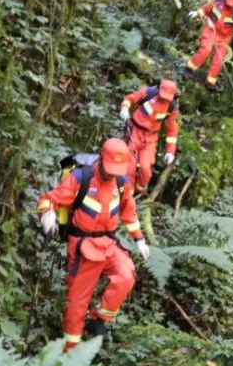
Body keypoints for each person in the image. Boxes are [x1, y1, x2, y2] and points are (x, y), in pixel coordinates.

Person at [36, 138, 149, 351]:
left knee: (126, 275)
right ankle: (70, 351)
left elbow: (129, 212)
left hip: (109, 244)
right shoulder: (81, 178)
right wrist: (47, 213)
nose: (112, 173)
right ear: (101, 159)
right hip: (84, 247)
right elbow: (48, 199)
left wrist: (139, 239)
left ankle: (98, 320)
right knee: (77, 303)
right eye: (109, 169)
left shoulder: (122, 183)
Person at [185, 0, 233, 90]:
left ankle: (211, 82)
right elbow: (205, 9)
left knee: (219, 60)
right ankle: (189, 69)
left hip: (224, 38)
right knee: (205, 50)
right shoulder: (217, 2)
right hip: (210, 31)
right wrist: (197, 14)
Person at [120, 79, 180, 196]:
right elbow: (130, 98)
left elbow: (172, 129)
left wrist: (170, 151)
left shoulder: (172, 107)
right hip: (135, 132)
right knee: (130, 167)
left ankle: (140, 191)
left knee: (145, 168)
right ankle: (127, 197)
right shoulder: (148, 93)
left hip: (151, 138)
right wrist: (124, 108)